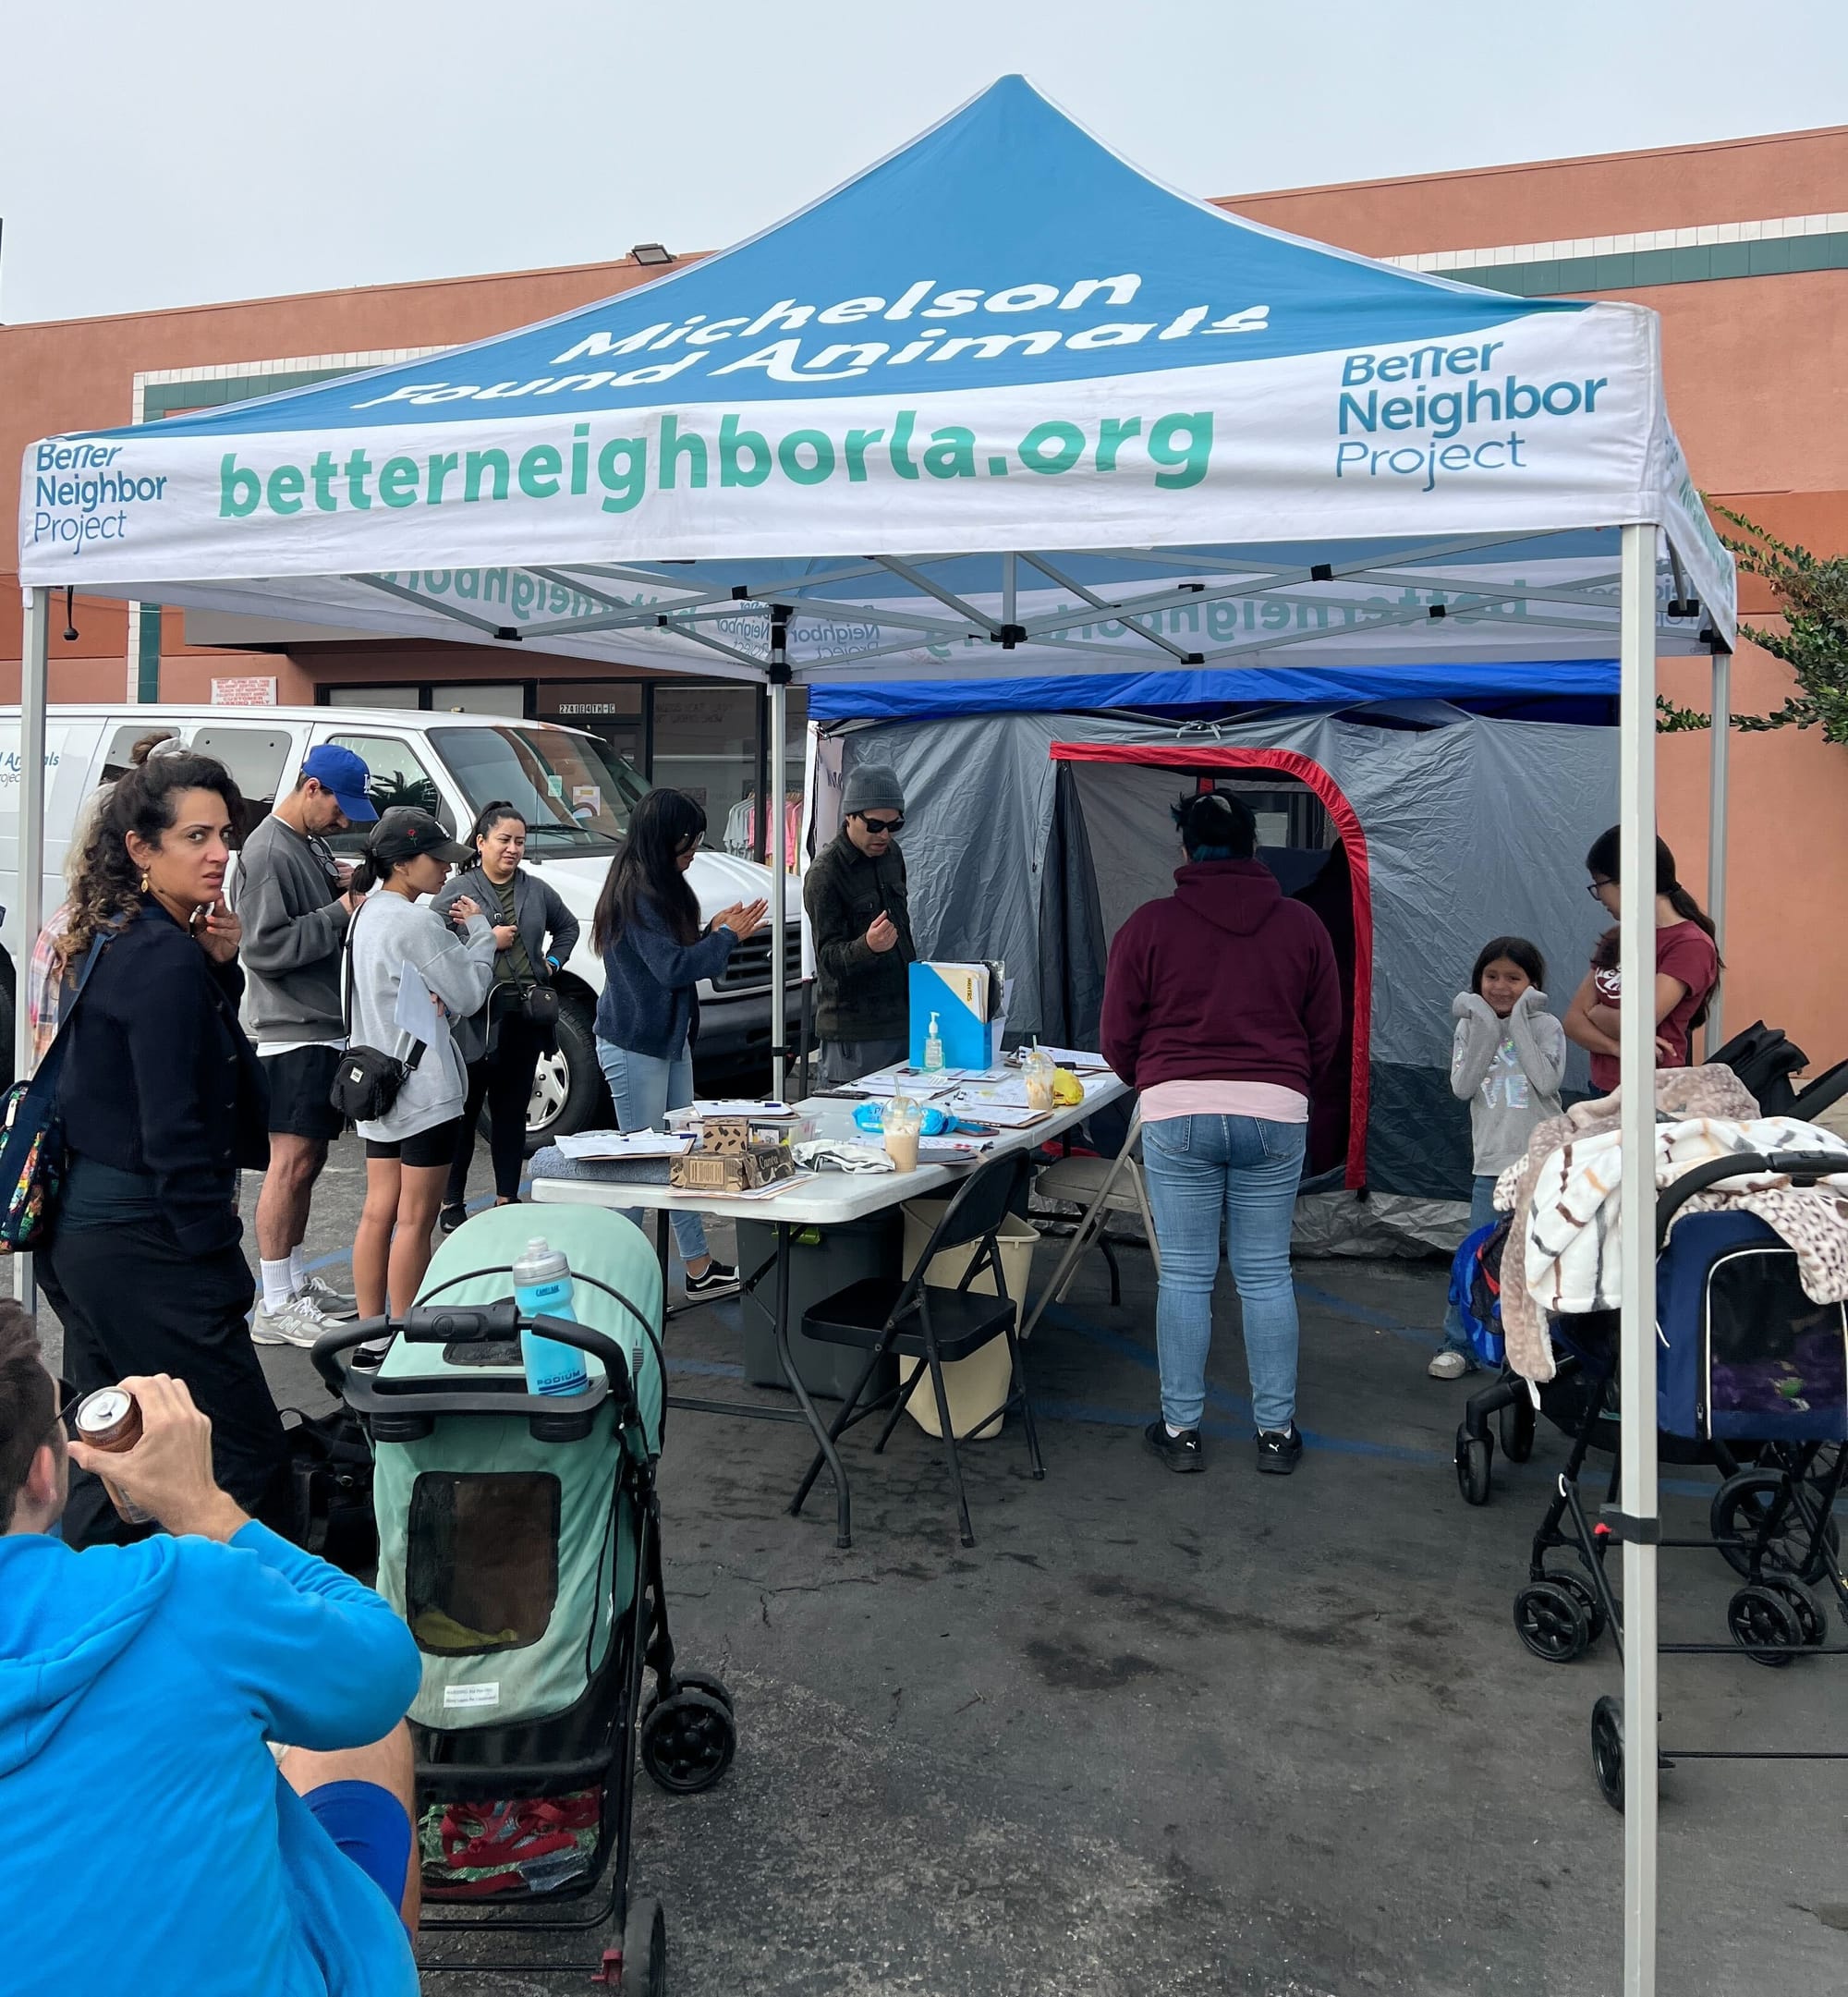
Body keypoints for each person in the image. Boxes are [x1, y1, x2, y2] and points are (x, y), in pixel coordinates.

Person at [0, 1309, 422, 1995]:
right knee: (360, 1744)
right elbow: (382, 1670)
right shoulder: (182, 1591)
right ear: (46, 1473)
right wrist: (205, 1507)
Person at [36, 747, 285, 1549]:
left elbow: (160, 1069)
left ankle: (90, 1631)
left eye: (225, 835)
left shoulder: (116, 935)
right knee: (242, 1458)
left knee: (112, 1456)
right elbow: (176, 1124)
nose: (220, 854)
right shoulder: (159, 955)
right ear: (142, 848)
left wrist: (222, 970)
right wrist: (218, 1262)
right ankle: (245, 1649)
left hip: (88, 1236)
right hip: (143, 1235)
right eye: (196, 837)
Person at [1100, 790, 1343, 1478]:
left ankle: (1180, 1430)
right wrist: (1288, 1083)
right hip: (1275, 1106)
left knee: (1185, 1276)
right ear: (1253, 849)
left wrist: (1153, 1079)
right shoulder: (1301, 925)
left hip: (1178, 1106)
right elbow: (1325, 1029)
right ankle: (1275, 1432)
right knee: (1266, 1274)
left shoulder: (1149, 925)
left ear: (1185, 851)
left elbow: (1117, 1032)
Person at [591, 788, 765, 1299]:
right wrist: (725, 938)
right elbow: (672, 968)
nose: (693, 854)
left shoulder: (654, 885)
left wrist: (714, 930)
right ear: (662, 840)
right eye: (687, 844)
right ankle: (608, 1276)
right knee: (644, 1165)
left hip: (665, 1040)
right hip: (635, 1044)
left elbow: (674, 955)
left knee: (682, 1155)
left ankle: (698, 1265)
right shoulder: (638, 891)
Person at [234, 744, 380, 1346]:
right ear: (311, 787)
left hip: (317, 1024)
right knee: (289, 1164)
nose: (345, 821)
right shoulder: (267, 851)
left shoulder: (304, 844)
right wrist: (343, 908)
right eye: (340, 808)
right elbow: (263, 947)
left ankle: (292, 1282)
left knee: (309, 1161)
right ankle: (274, 1301)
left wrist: (336, 887)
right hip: (289, 1030)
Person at [346, 808, 497, 1319]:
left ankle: (369, 1334)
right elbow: (471, 994)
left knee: (378, 1213)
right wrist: (480, 934)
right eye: (436, 860)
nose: (446, 871)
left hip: (377, 1082)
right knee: (416, 1218)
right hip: (424, 1087)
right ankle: (409, 1333)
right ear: (404, 864)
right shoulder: (417, 922)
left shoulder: (364, 913)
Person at [432, 801, 580, 1234]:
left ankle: (506, 1196)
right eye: (503, 840)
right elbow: (429, 939)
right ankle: (451, 1200)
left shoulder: (536, 890)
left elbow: (568, 927)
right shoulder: (458, 889)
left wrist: (550, 963)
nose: (512, 849)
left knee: (513, 1110)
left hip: (523, 1014)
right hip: (473, 1016)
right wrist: (480, 944)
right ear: (481, 843)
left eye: (519, 841)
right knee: (464, 1109)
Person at [1429, 937, 1566, 1381]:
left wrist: (1521, 1021)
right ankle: (1458, 1343)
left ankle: (1542, 1348)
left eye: (1514, 978)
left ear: (1533, 985)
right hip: (1491, 1166)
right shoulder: (1470, 1027)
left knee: (1545, 1258)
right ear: (1478, 980)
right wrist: (1486, 1025)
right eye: (1492, 977)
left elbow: (1546, 1082)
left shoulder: (1547, 1027)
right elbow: (1463, 1087)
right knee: (1477, 1256)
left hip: (1542, 1165)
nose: (1501, 987)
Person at [1563, 828, 1720, 1094]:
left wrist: (1594, 1012)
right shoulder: (1617, 937)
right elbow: (1571, 1022)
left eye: (1598, 884)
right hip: (1604, 1088)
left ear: (1626, 882)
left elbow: (1638, 1022)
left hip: (1652, 1092)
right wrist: (1618, 1048)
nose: (1599, 897)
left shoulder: (1689, 945)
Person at [805, 766, 916, 1086]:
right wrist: (866, 946)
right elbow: (826, 958)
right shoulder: (825, 873)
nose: (884, 835)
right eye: (875, 825)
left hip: (902, 1019)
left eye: (894, 825)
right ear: (850, 817)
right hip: (854, 1032)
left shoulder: (892, 855)